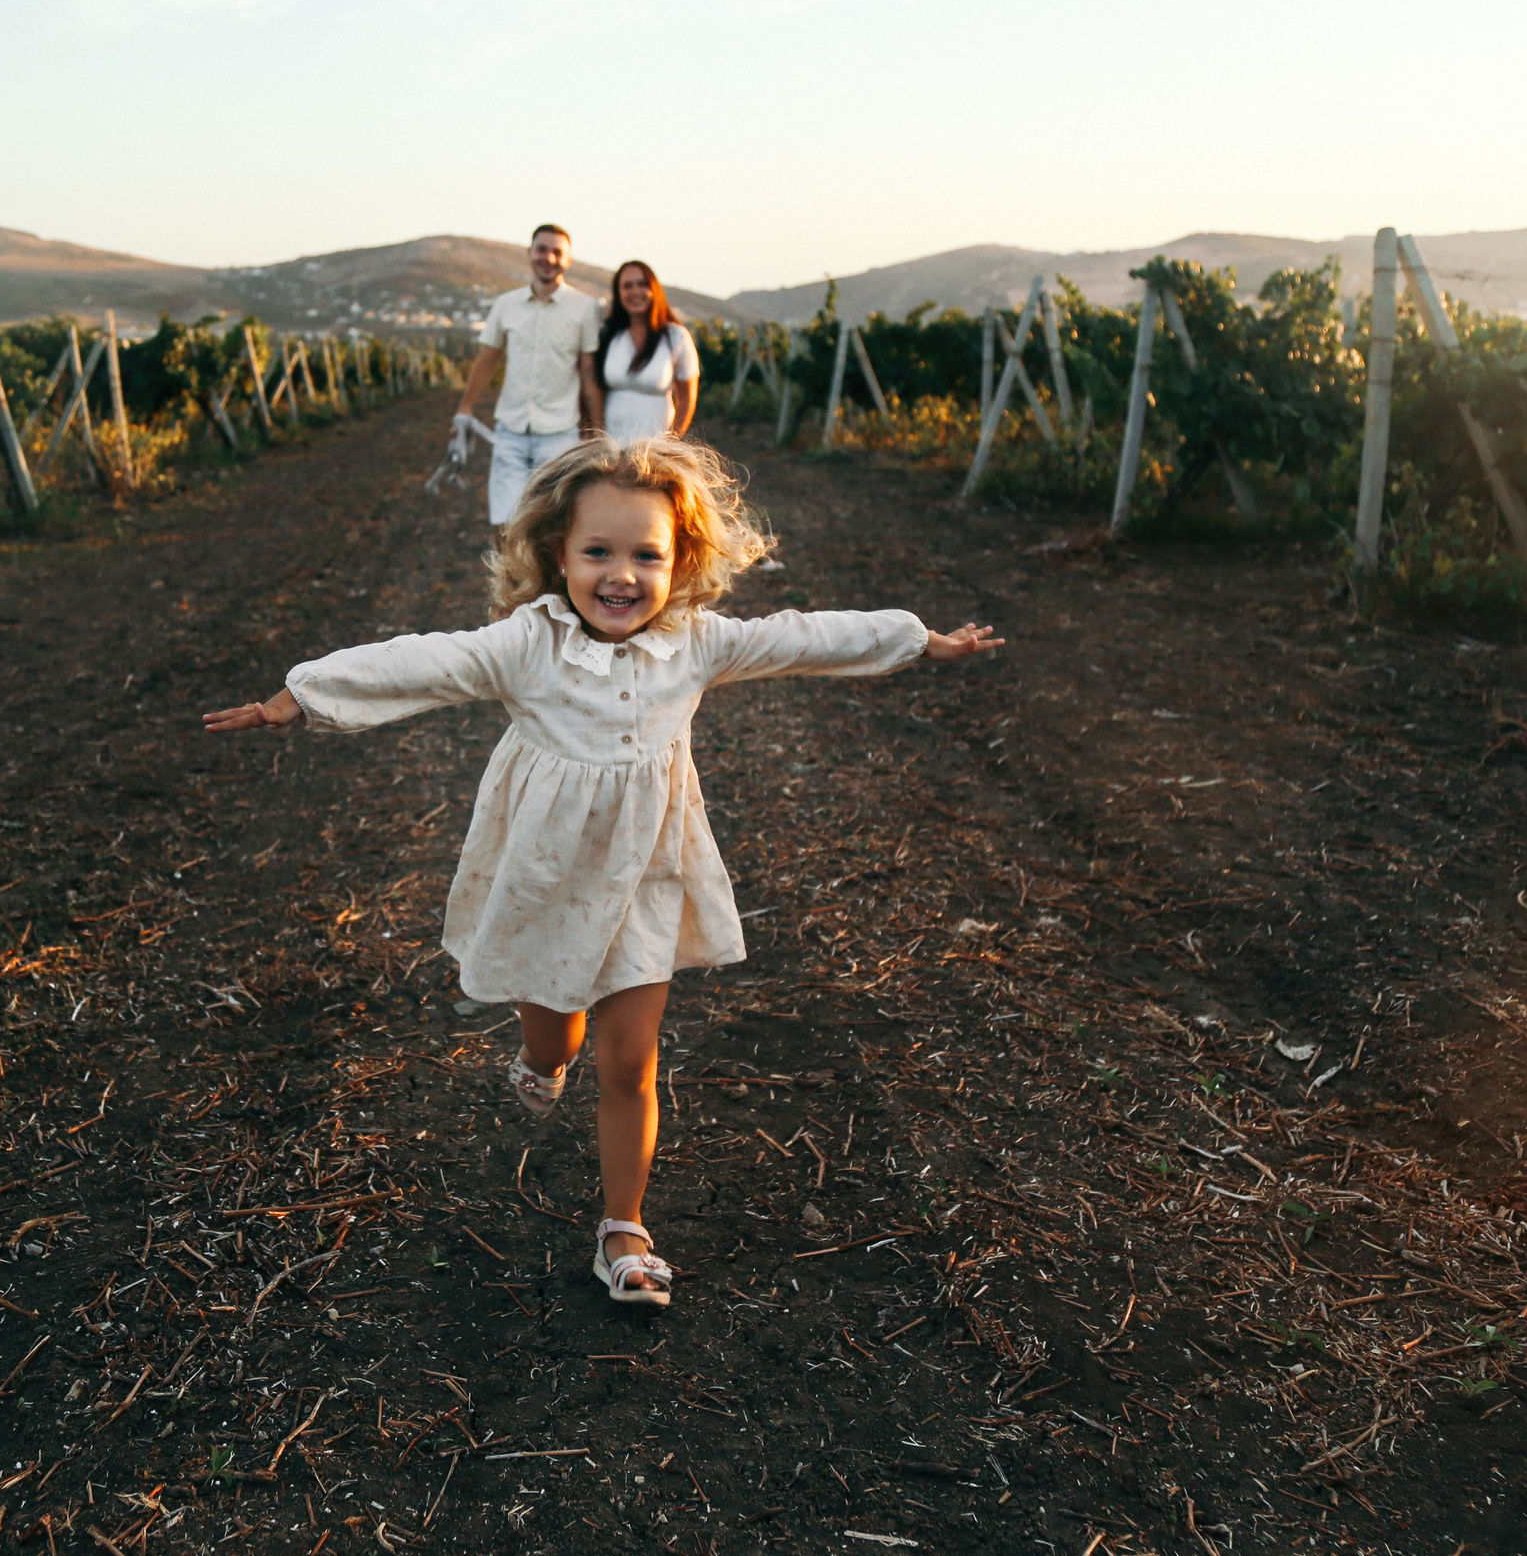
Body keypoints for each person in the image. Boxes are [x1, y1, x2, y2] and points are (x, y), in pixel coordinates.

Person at [204, 437, 1003, 1305]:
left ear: (681, 561)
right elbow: (421, 659)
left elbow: (801, 636)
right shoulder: (525, 644)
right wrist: (303, 692)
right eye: (598, 552)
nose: (621, 575)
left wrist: (919, 638)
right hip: (547, 878)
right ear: (558, 554)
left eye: (646, 555)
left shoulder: (695, 645)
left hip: (645, 880)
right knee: (558, 1037)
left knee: (631, 1063)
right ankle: (540, 1058)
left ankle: (623, 1227)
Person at [453, 224, 604, 526]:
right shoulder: (506, 305)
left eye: (557, 252)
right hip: (510, 429)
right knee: (504, 522)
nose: (548, 258)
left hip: (559, 432)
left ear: (568, 261)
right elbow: (486, 361)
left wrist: (597, 434)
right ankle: (508, 576)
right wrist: (465, 407)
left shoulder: (585, 308)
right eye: (542, 249)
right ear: (530, 253)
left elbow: (588, 374)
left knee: (551, 523)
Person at [589, 260, 700, 443]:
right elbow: (593, 387)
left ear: (654, 289)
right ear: (618, 293)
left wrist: (671, 443)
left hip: (656, 448)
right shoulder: (606, 334)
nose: (635, 292)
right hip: (611, 448)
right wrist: (598, 437)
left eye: (642, 284)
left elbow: (687, 398)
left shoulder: (675, 336)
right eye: (627, 286)